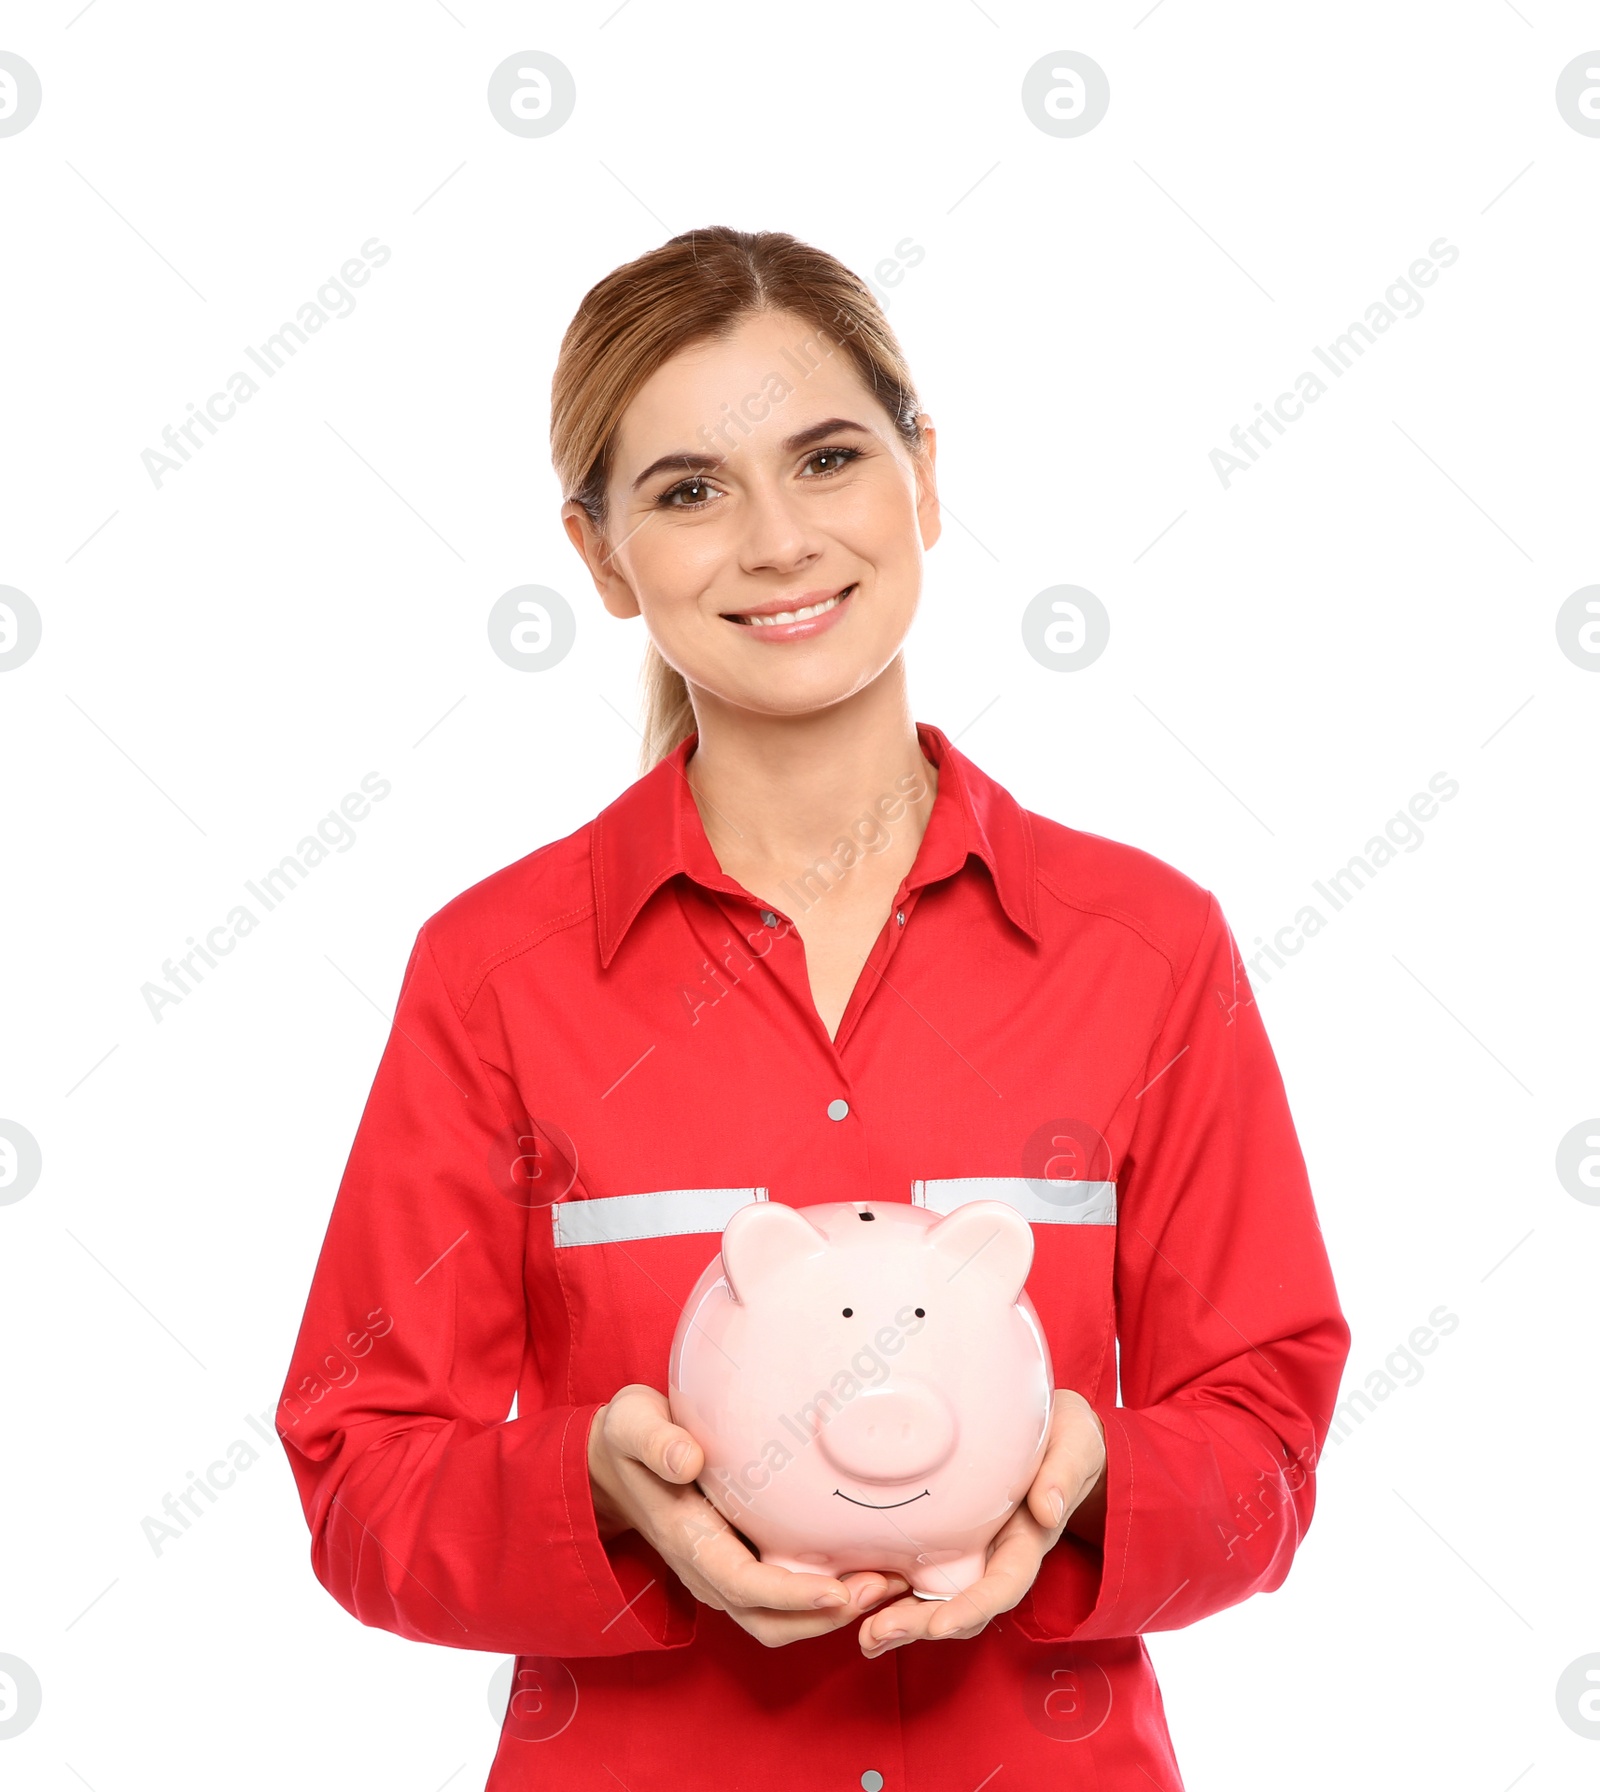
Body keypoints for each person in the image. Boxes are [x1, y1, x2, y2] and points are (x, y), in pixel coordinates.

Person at [277, 226, 1351, 1789]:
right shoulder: (496, 976)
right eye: (690, 490)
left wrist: (1096, 1474)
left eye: (829, 457)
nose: (777, 540)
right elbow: (357, 1472)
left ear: (923, 474)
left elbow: (1266, 1435)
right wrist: (589, 1484)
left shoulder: (1146, 951)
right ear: (599, 556)